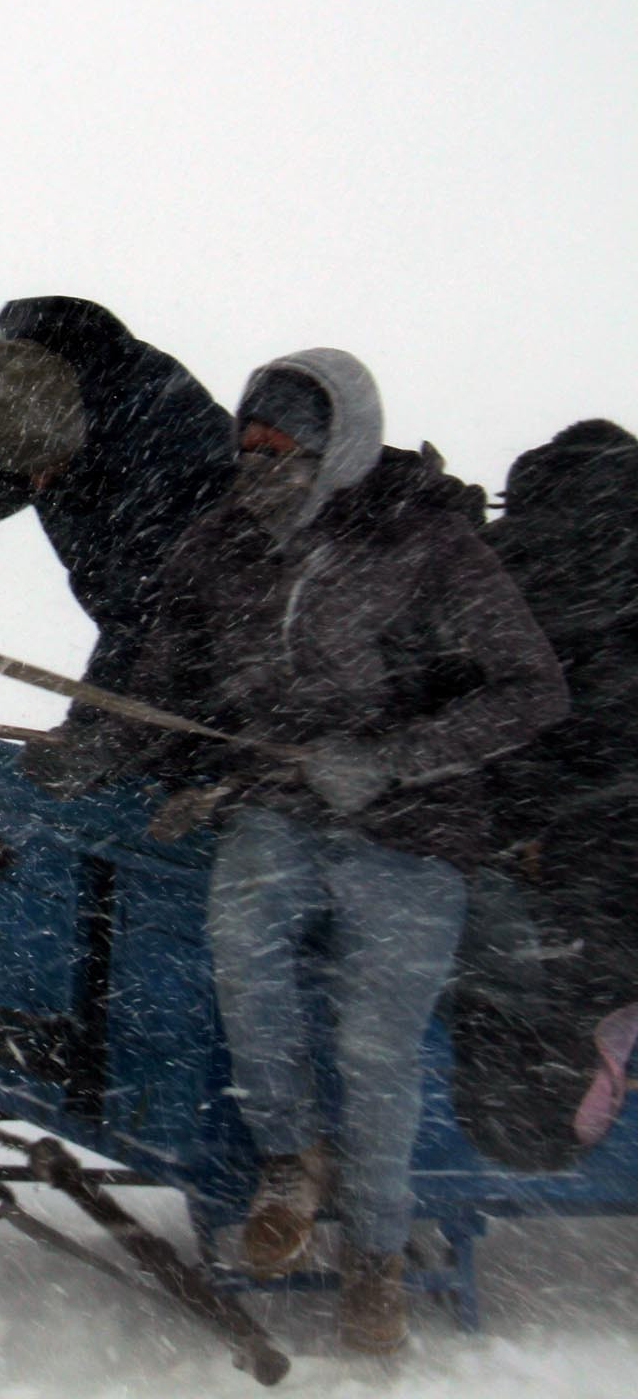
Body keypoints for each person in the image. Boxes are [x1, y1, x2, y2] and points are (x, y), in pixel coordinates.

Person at [39, 348, 567, 1355]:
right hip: (277, 805)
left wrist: (389, 760)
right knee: (244, 949)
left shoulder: (430, 545)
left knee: (377, 1048)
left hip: (414, 829)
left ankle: (375, 1258)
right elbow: (164, 680)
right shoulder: (222, 544)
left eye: (283, 447)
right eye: (248, 445)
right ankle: (290, 1159)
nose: (259, 464)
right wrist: (105, 741)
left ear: (343, 448)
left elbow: (531, 689)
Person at [452, 419, 638, 1164]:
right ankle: (559, 1077)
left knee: (499, 959)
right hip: (591, 842)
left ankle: (555, 1076)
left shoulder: (495, 560)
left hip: (539, 833)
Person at [0, 296, 233, 700]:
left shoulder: (153, 443)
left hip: (243, 678)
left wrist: (93, 729)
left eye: (47, 470)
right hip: (181, 665)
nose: (38, 485)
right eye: (28, 476)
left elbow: (146, 613)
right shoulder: (43, 405)